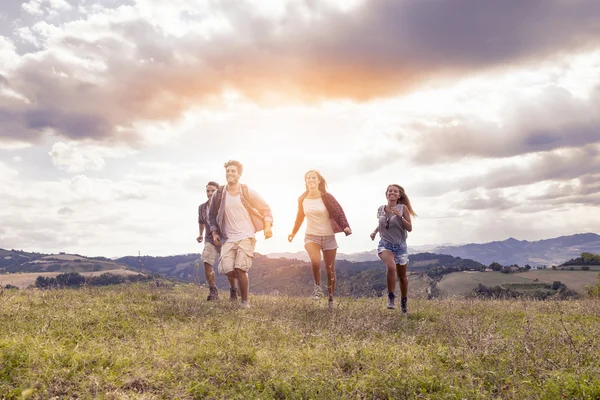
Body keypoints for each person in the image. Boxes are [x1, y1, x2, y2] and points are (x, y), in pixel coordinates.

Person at [208, 160, 273, 309]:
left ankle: (245, 303)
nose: (230, 173)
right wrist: (215, 232)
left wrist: (267, 225)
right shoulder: (219, 194)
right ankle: (244, 281)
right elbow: (211, 215)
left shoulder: (247, 191)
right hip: (228, 237)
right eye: (228, 171)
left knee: (240, 269)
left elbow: (266, 209)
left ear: (239, 174)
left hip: (246, 235)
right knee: (226, 269)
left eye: (233, 171)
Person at [288, 170, 352, 311]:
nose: (311, 180)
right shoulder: (302, 198)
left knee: (330, 270)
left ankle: (330, 300)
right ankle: (317, 287)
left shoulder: (327, 197)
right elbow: (300, 216)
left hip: (329, 237)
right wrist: (293, 232)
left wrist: (345, 226)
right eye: (308, 178)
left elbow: (338, 212)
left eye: (313, 178)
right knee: (316, 261)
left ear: (318, 181)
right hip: (311, 236)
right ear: (306, 181)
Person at [370, 184, 416, 314]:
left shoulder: (403, 208)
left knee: (402, 277)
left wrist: (400, 216)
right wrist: (374, 232)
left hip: (400, 246)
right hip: (385, 244)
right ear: (386, 194)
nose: (392, 193)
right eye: (390, 191)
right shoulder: (380, 209)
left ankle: (404, 302)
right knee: (391, 267)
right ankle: (391, 297)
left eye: (395, 191)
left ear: (399, 195)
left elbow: (409, 228)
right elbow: (383, 223)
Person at [197, 181, 237, 301]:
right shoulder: (202, 207)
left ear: (218, 192)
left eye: (212, 191)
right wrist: (200, 234)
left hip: (226, 238)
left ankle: (233, 290)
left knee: (228, 266)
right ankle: (213, 291)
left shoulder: (224, 205)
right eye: (208, 191)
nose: (209, 193)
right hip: (210, 238)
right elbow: (201, 221)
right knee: (206, 261)